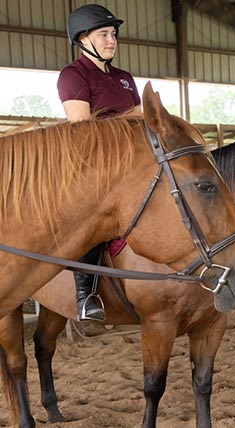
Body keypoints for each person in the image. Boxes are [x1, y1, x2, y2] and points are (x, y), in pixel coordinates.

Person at [58, 4, 140, 321]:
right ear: (83, 39)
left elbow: (139, 120)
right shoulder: (73, 75)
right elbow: (83, 128)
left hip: (131, 161)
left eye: (114, 34)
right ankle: (86, 294)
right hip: (94, 163)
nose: (111, 40)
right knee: (92, 217)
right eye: (104, 34)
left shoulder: (124, 78)